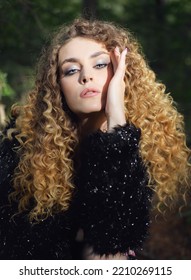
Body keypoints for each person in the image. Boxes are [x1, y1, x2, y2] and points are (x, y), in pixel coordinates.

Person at [0, 18, 190, 260]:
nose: (86, 77)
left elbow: (113, 240)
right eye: (71, 70)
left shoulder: (136, 143)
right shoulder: (21, 151)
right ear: (57, 86)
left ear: (122, 74)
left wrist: (117, 120)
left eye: (100, 65)